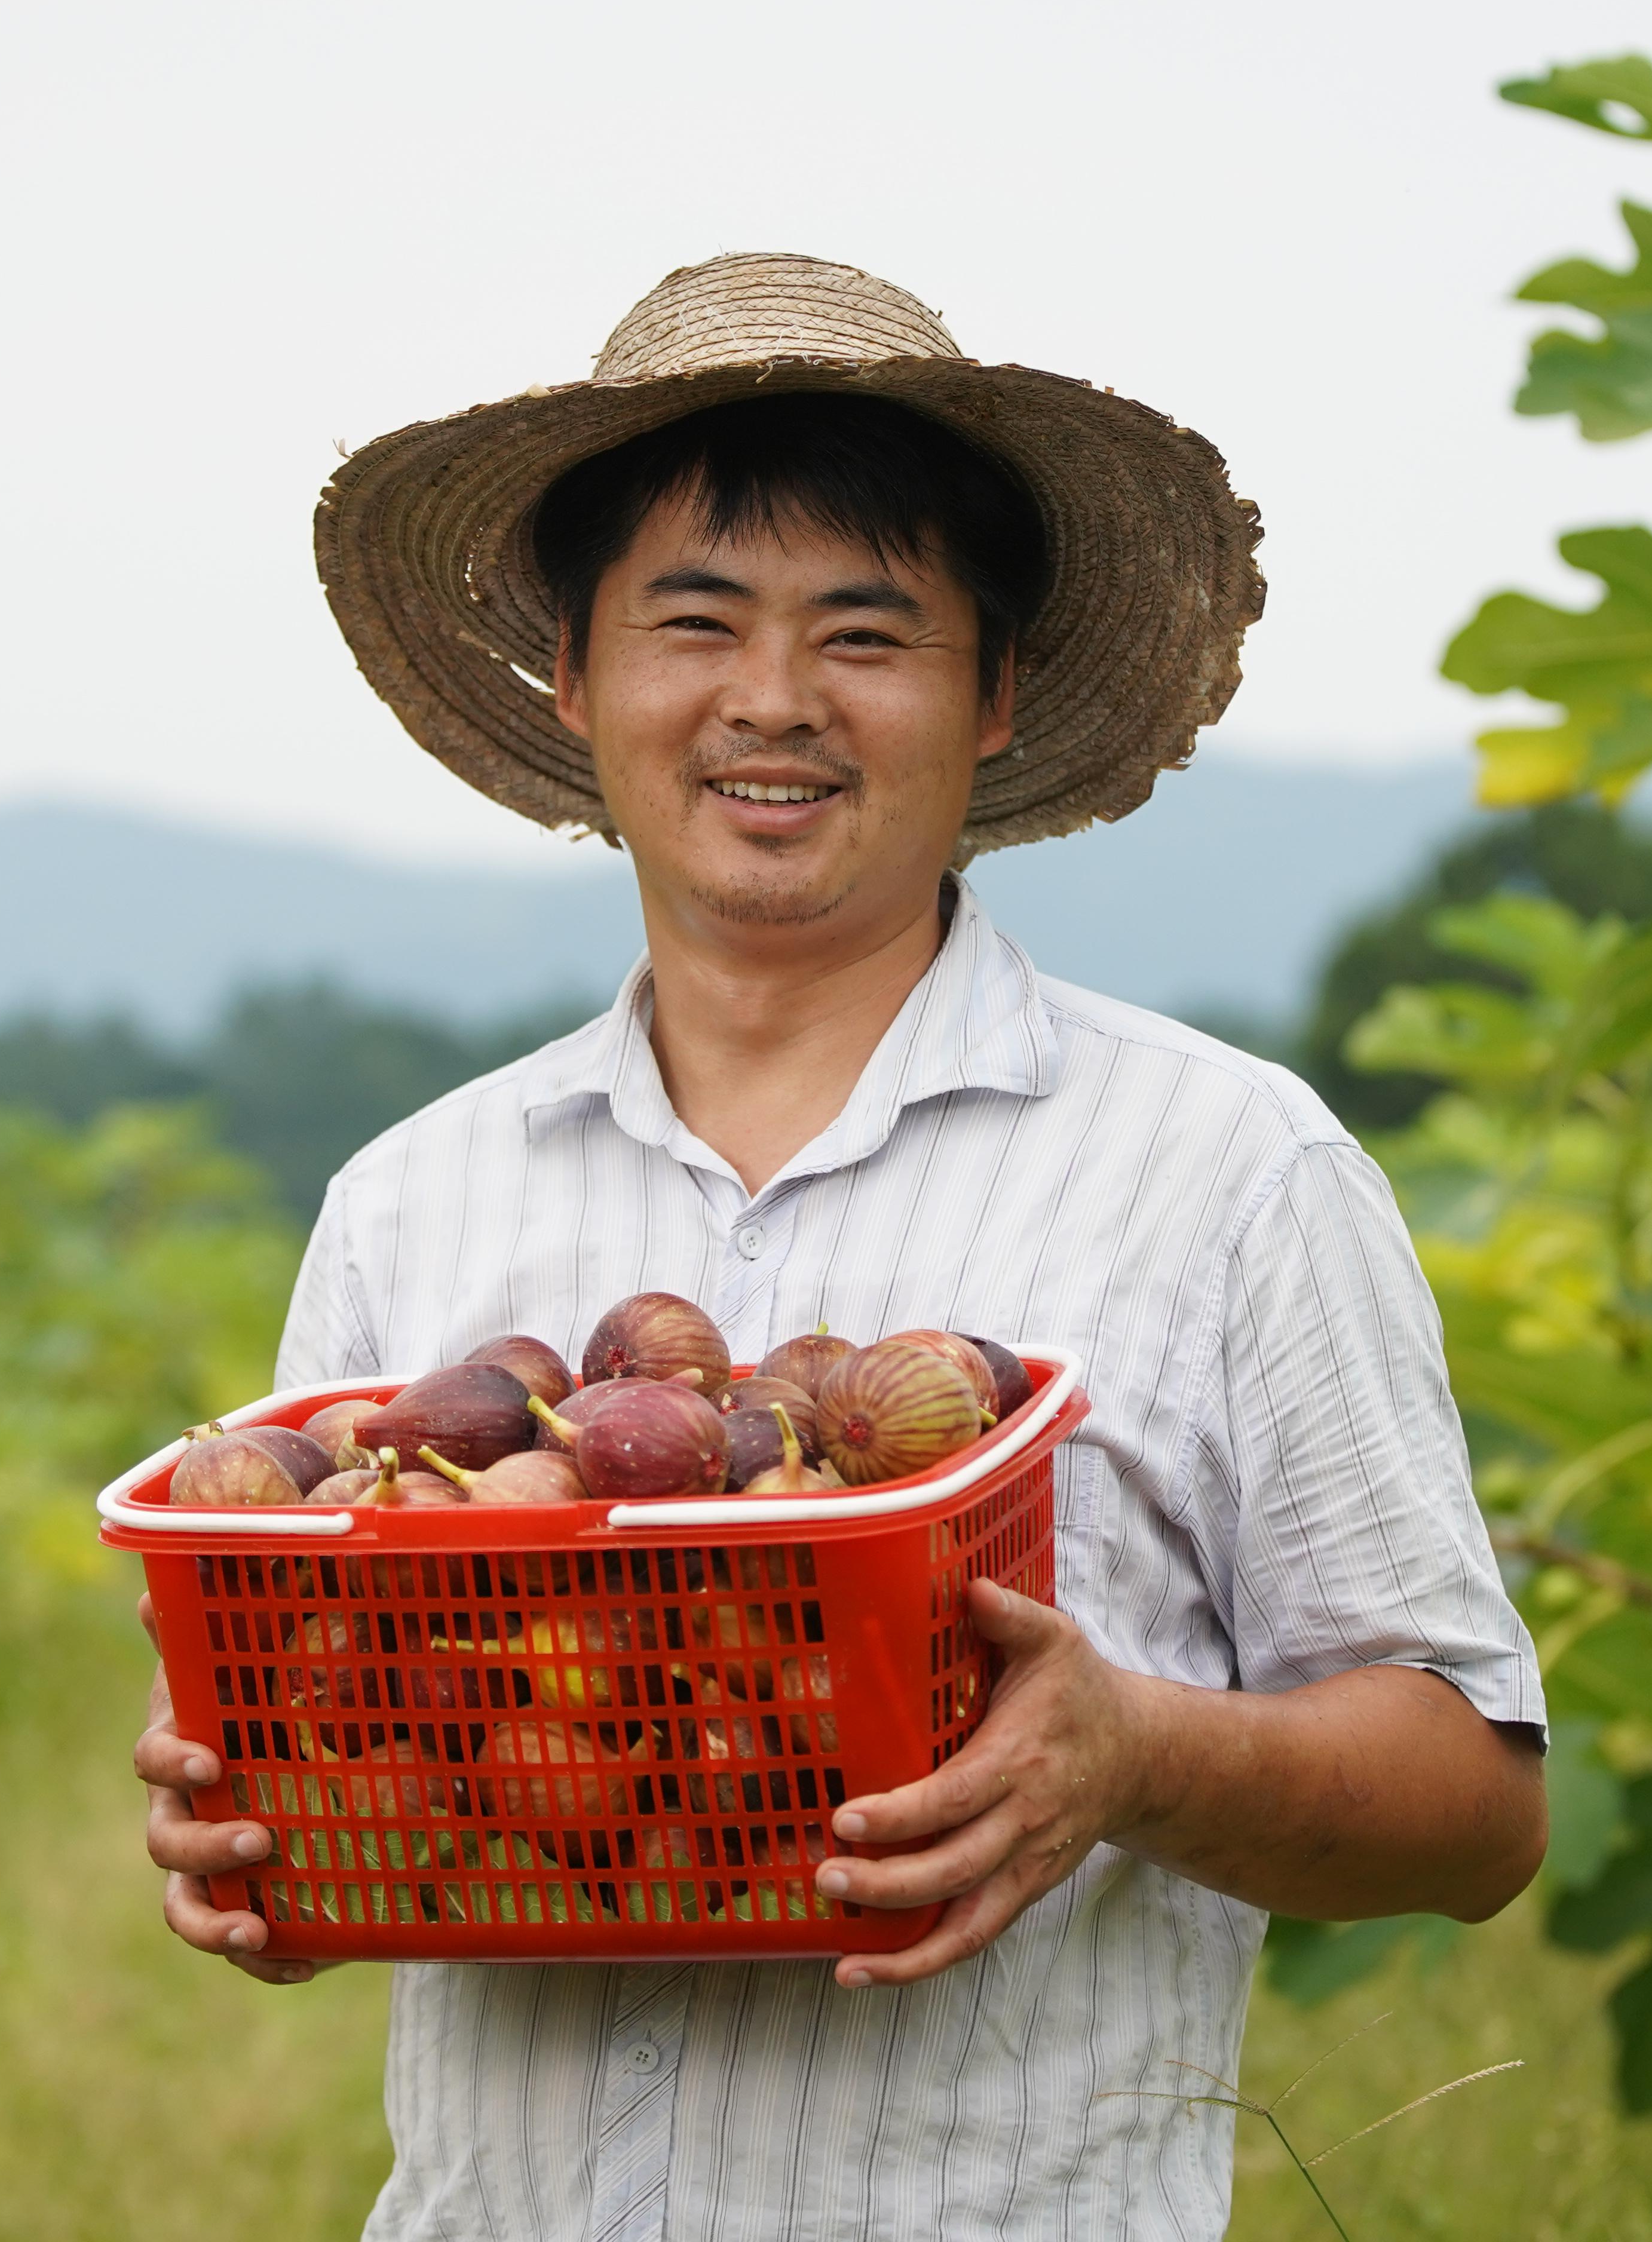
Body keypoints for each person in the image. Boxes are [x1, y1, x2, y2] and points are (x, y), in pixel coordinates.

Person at [137, 253, 1546, 2239]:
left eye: (864, 632)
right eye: (693, 621)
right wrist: (281, 1834)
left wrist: (1129, 1756)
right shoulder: (416, 1199)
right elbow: (382, 1766)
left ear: (996, 695)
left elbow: (1476, 1810)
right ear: (575, 677)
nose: (772, 700)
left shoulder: (1228, 1168)